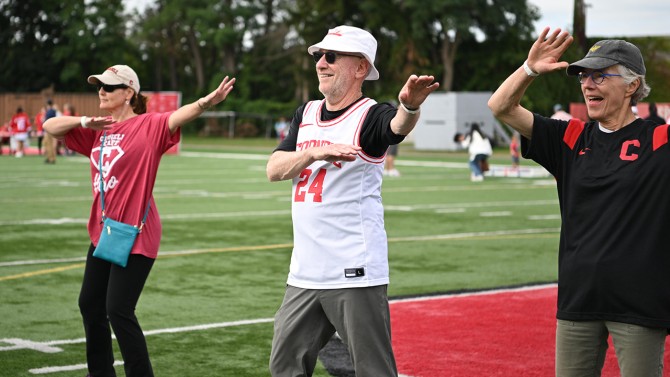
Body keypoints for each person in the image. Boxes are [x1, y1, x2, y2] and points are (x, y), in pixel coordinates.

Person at [488, 28, 669, 376]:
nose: (588, 84)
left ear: (632, 85)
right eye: (585, 76)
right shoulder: (570, 137)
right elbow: (501, 106)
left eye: (601, 76)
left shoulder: (660, 140)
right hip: (577, 299)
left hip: (640, 304)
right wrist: (529, 69)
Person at [266, 25, 438, 377]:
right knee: (284, 366)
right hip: (305, 272)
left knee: (373, 370)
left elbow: (396, 127)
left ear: (361, 68)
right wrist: (317, 152)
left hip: (353, 272)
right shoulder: (307, 113)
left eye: (331, 56)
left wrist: (408, 105)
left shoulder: (370, 115)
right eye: (318, 56)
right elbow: (274, 168)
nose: (321, 63)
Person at [43, 64, 235, 377]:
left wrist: (206, 102)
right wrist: (83, 121)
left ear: (129, 92)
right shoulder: (97, 129)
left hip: (136, 232)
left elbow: (178, 116)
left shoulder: (148, 126)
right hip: (104, 232)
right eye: (99, 86)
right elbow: (50, 127)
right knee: (90, 305)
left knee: (118, 310)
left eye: (109, 86)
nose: (101, 91)